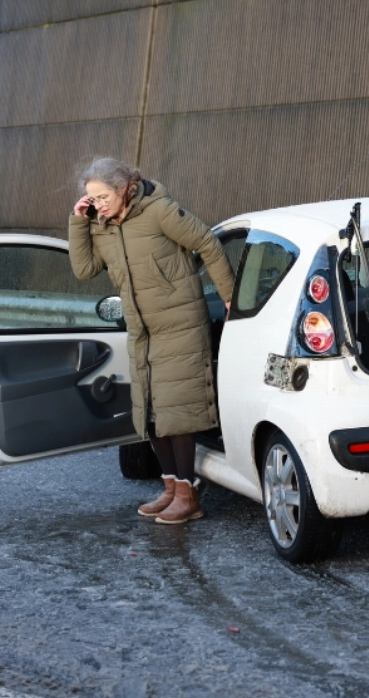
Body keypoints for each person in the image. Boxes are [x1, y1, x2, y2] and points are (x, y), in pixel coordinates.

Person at [69, 158, 234, 525]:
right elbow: (83, 269)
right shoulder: (102, 226)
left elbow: (207, 242)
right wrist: (79, 222)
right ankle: (173, 488)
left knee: (177, 413)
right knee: (151, 415)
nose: (98, 204)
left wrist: (229, 295)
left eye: (102, 196)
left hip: (180, 324)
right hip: (142, 330)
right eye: (91, 198)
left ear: (124, 188)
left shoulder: (159, 211)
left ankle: (189, 495)